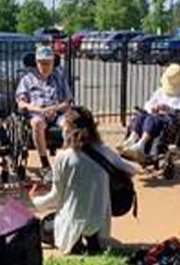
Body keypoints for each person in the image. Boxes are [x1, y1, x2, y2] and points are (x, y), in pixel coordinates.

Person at [29, 106, 137, 254]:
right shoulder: (104, 151)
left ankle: (74, 241)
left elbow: (55, 198)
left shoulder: (63, 157)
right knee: (88, 209)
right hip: (99, 221)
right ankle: (91, 239)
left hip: (74, 220)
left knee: (45, 225)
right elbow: (133, 170)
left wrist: (34, 201)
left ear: (68, 130)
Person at [16, 45, 73, 182]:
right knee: (37, 123)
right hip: (37, 113)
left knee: (70, 125)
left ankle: (62, 163)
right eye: (42, 63)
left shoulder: (59, 78)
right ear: (36, 63)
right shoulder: (27, 79)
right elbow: (21, 103)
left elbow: (68, 102)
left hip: (56, 113)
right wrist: (39, 109)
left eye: (48, 63)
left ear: (53, 63)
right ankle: (45, 165)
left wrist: (55, 107)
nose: (45, 66)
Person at [121, 64, 180, 163]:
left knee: (152, 119)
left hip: (170, 120)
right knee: (140, 116)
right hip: (155, 115)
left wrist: (168, 108)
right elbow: (148, 104)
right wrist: (153, 107)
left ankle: (141, 144)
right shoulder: (161, 91)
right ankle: (131, 139)